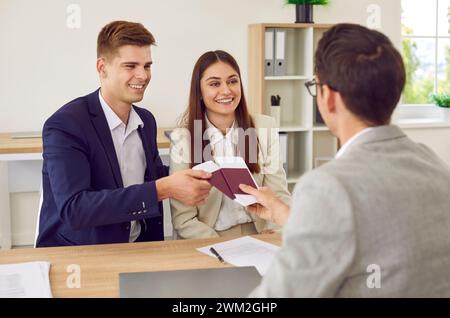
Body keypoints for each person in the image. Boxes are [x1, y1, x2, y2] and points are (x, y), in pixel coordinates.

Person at [240, 23, 450, 297]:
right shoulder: (432, 163)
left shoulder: (328, 186)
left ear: (328, 98)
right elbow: (376, 236)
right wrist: (286, 215)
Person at [36, 21, 212, 247]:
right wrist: (164, 188)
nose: (143, 75)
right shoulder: (66, 125)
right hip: (83, 253)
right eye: (130, 66)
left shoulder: (146, 121)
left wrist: (199, 172)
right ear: (102, 68)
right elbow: (75, 209)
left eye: (147, 66)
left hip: (139, 247)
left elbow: (152, 176)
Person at [169, 50, 291, 239]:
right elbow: (184, 219)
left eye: (233, 81)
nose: (226, 91)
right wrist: (221, 247)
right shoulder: (183, 138)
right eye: (215, 84)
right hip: (208, 237)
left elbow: (278, 195)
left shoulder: (264, 127)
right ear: (199, 91)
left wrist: (274, 234)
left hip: (260, 233)